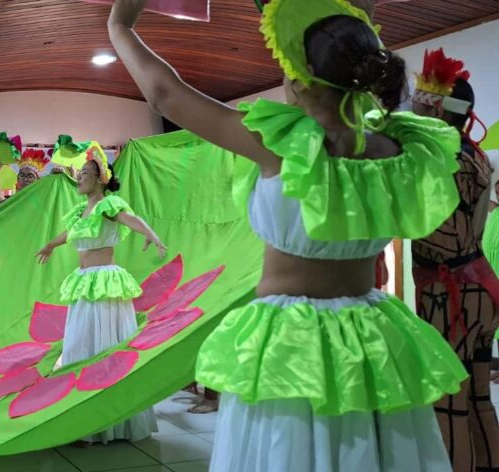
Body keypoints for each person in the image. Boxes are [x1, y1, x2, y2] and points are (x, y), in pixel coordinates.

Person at [109, 0, 466, 469]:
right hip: (370, 333)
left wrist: (120, 24)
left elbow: (164, 93)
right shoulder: (399, 149)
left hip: (290, 340)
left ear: (300, 77)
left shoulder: (279, 145)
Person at [37, 150, 166, 445]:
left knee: (104, 345)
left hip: (104, 282)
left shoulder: (107, 205)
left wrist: (151, 233)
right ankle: (83, 421)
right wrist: (50, 245)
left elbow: (129, 219)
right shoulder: (81, 211)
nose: (80, 178)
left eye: (85, 174)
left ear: (100, 180)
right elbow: (70, 234)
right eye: (80, 174)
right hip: (85, 282)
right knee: (80, 344)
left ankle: (110, 422)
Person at [410, 50, 499, 472]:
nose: (413, 109)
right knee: (478, 397)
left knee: (448, 405)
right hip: (480, 285)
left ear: (438, 110)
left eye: (420, 102)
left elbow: (429, 227)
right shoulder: (474, 156)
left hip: (452, 295)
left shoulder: (443, 161)